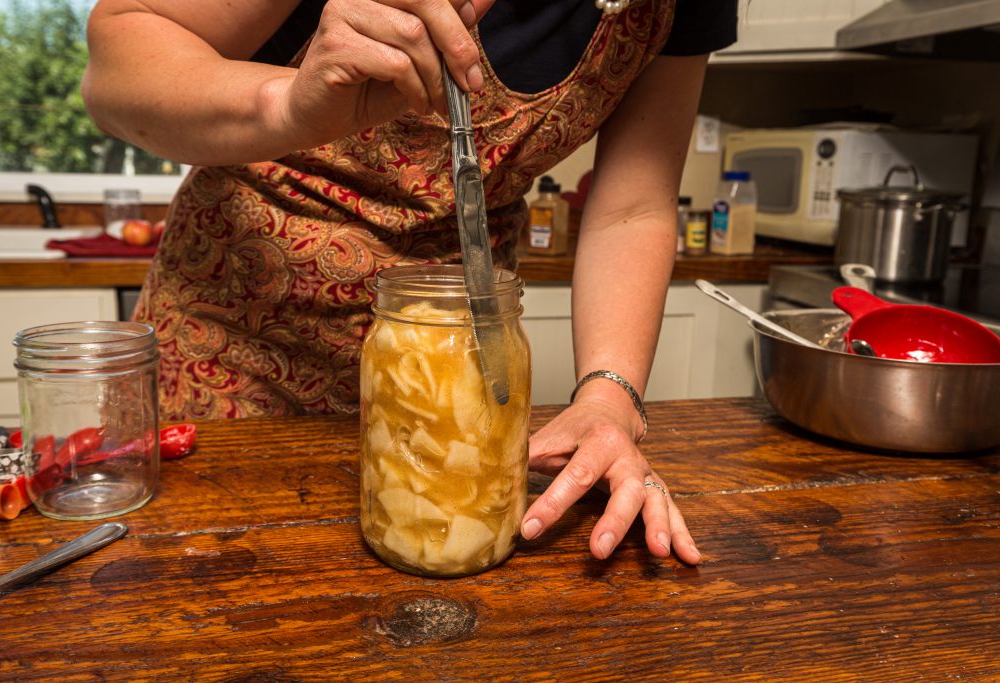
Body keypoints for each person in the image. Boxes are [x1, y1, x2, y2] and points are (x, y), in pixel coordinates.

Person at [82, 0, 737, 565]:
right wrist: (285, 102)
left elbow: (632, 207)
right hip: (229, 346)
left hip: (460, 358)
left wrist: (610, 396)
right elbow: (117, 64)